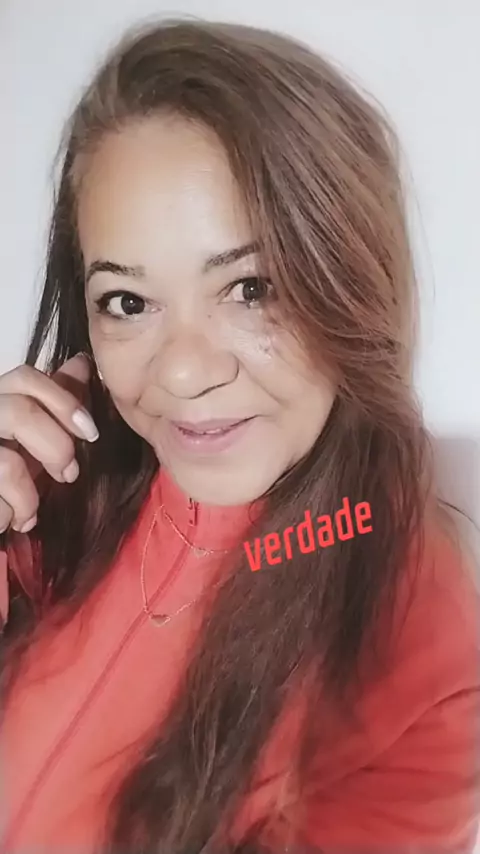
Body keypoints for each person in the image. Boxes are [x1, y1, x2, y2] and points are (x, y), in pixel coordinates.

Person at [0, 17, 478, 854]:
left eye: (251, 288)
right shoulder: (68, 489)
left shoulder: (421, 652)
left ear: (351, 278)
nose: (184, 373)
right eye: (128, 302)